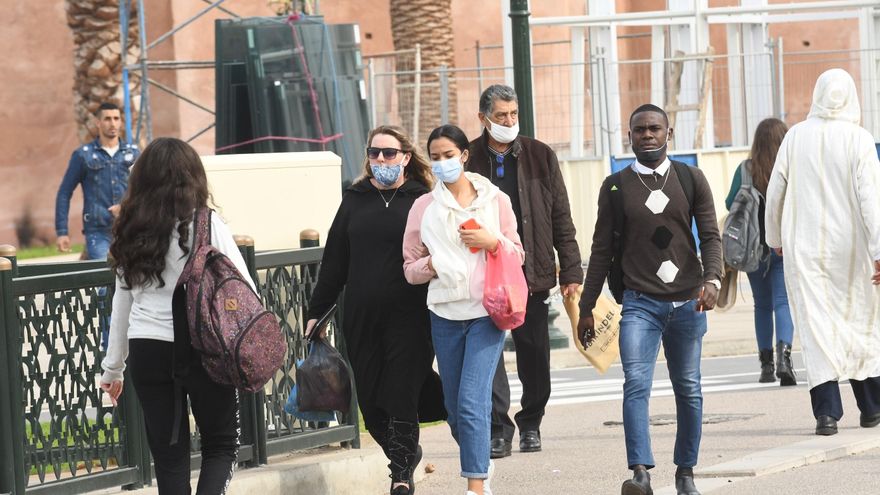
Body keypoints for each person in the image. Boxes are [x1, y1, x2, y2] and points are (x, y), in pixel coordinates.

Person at [577, 104, 723, 495]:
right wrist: (586, 307)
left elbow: (710, 236)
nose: (647, 135)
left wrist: (713, 279)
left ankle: (686, 472)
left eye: (654, 128)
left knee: (688, 388)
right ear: (630, 137)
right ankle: (640, 473)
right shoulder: (615, 186)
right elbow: (601, 249)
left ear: (668, 133)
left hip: (688, 303)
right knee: (635, 384)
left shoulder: (691, 179)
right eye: (639, 129)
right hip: (640, 304)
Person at [99, 137, 250, 494]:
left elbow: (122, 303)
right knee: (221, 444)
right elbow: (243, 289)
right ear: (192, 178)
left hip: (147, 350)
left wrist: (112, 368)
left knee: (169, 458)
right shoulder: (209, 225)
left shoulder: (131, 229)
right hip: (203, 347)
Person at [306, 125, 442, 495]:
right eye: (374, 153)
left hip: (410, 316)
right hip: (361, 316)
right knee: (369, 400)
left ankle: (400, 476)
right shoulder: (355, 197)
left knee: (401, 394)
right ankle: (407, 452)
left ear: (406, 158)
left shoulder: (422, 199)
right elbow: (334, 261)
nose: (381, 159)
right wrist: (317, 311)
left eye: (389, 153)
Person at [404, 124, 524, 495]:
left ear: (464, 155)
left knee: (472, 401)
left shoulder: (495, 200)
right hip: (444, 314)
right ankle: (481, 465)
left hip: (487, 313)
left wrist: (492, 241)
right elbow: (409, 268)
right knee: (456, 410)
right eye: (436, 158)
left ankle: (475, 487)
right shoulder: (423, 207)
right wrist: (432, 266)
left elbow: (517, 254)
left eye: (448, 155)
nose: (442, 164)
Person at [465, 84, 583, 458]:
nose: (509, 121)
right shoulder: (469, 159)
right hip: (484, 273)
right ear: (483, 118)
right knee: (489, 354)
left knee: (534, 353)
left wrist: (571, 271)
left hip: (529, 272)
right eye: (501, 116)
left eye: (513, 114)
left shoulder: (540, 155)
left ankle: (531, 421)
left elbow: (561, 216)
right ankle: (499, 428)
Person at [765, 68, 880, 437]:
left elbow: (775, 194)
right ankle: (872, 408)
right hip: (852, 251)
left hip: (805, 248)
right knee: (859, 322)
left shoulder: (795, 137)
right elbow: (871, 202)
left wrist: (773, 238)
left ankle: (827, 415)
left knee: (815, 327)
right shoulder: (860, 139)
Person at [724, 118, 796, 386]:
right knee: (783, 302)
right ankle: (785, 360)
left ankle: (766, 365)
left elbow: (730, 202)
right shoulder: (790, 168)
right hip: (783, 247)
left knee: (762, 305)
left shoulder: (745, 170)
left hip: (752, 249)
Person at [55, 102, 140, 260]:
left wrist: (125, 206)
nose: (112, 123)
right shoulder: (83, 155)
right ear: (98, 122)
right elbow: (64, 193)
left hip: (130, 227)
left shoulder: (133, 153)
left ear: (121, 121)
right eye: (107, 119)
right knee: (103, 278)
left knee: (131, 280)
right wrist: (62, 232)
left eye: (116, 118)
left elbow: (146, 189)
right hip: (98, 231)